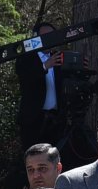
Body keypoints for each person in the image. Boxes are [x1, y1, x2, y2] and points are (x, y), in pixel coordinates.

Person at [16, 20, 66, 153]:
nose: (49, 40)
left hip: (54, 121)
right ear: (36, 38)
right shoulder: (26, 57)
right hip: (33, 120)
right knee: (32, 157)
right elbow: (25, 79)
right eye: (45, 36)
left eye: (52, 36)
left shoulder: (58, 57)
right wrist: (45, 66)